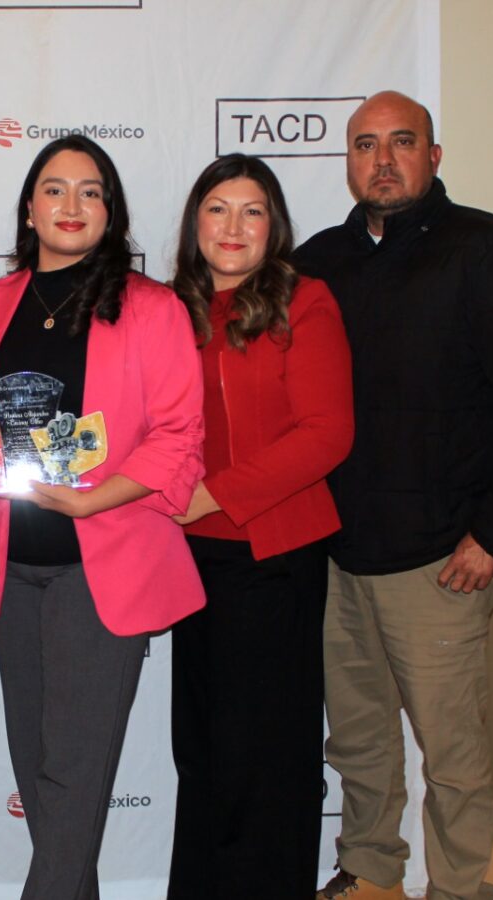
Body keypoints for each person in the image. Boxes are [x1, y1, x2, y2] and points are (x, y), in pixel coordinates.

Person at [291, 91, 493, 900]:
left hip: (445, 559)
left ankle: (458, 885)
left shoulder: (488, 252)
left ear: (434, 155)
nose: (383, 161)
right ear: (348, 162)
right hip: (337, 556)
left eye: (402, 142)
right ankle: (370, 865)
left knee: (452, 751)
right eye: (365, 145)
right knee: (358, 738)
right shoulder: (317, 264)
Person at [0, 134, 204, 900]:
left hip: (103, 565)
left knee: (74, 774)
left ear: (109, 212)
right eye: (54, 189)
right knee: (40, 773)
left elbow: (179, 436)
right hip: (11, 564)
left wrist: (93, 497)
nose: (71, 205)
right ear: (29, 209)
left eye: (91, 192)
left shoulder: (152, 308)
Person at [164, 154, 353, 899]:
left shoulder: (305, 301)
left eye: (252, 211)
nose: (233, 226)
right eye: (218, 209)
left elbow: (327, 433)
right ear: (195, 223)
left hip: (273, 557)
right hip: (187, 559)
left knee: (265, 758)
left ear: (274, 226)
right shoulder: (169, 308)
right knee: (202, 749)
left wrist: (213, 495)